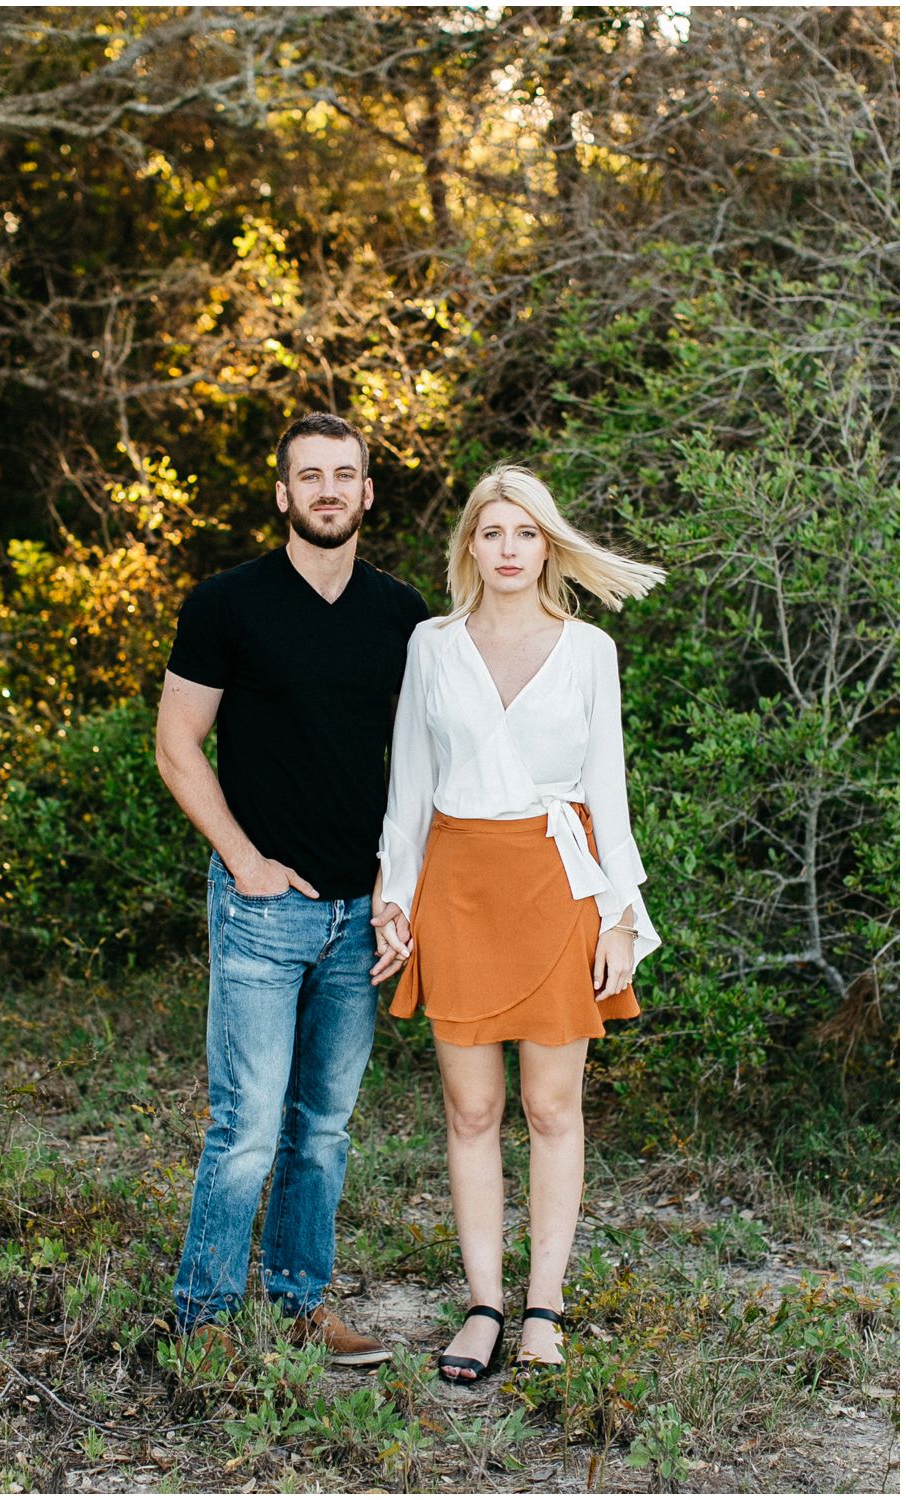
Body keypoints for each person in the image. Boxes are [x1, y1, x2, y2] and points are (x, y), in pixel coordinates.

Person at [369, 464, 664, 1382]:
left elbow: (607, 795)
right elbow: (408, 787)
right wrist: (394, 893)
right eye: (492, 533)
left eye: (525, 534)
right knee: (471, 1108)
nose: (508, 550)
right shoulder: (431, 643)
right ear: (469, 544)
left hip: (557, 886)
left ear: (547, 545)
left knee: (550, 1105)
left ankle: (544, 1308)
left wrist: (620, 916)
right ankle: (483, 1305)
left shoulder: (588, 650)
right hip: (455, 887)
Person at [157, 412, 427, 1367]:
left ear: (364, 494)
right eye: (307, 475)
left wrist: (400, 889)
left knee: (324, 1128)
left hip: (362, 917)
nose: (324, 490)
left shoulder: (403, 616)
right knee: (246, 1127)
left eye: (342, 475)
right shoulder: (226, 603)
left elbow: (421, 767)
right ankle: (204, 1320)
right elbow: (176, 744)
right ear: (281, 494)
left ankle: (302, 1301)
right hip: (263, 910)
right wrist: (243, 861)